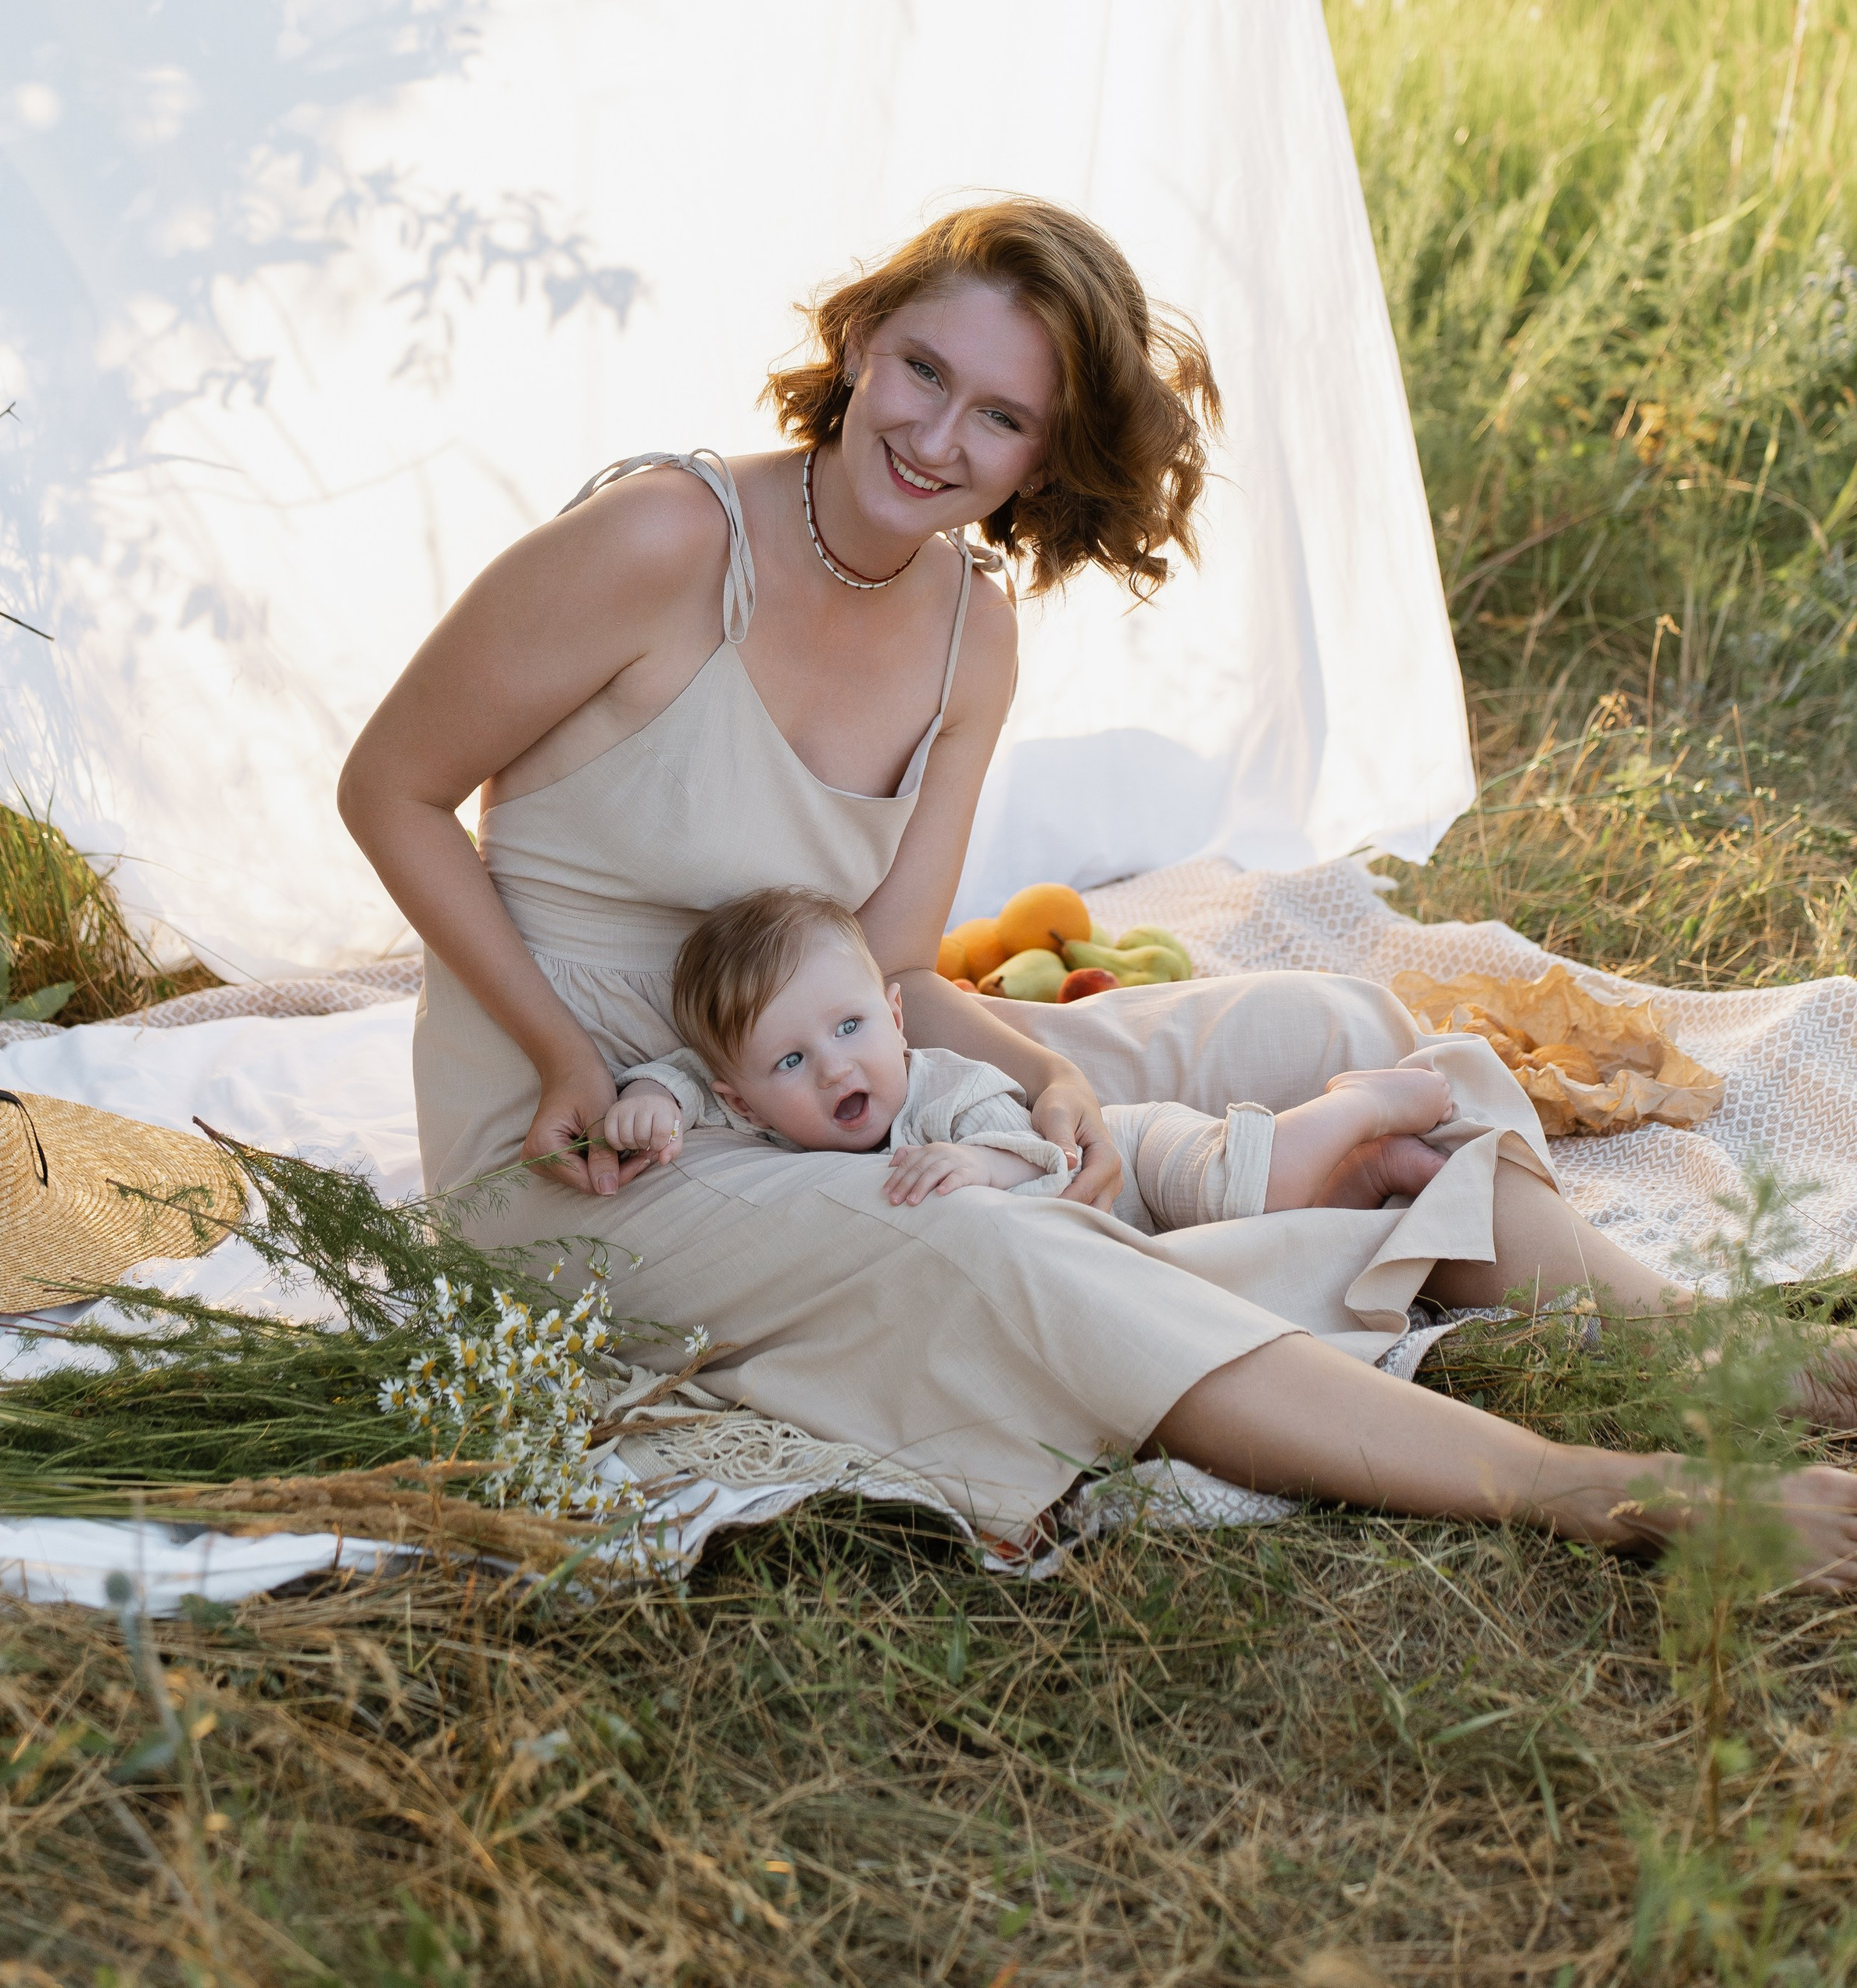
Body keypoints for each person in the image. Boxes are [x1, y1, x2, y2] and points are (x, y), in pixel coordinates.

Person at [339, 196, 1857, 1585]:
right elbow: (389, 788)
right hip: (601, 1132)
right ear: (857, 341)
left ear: (1040, 456)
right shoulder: (666, 539)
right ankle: (1585, 1489)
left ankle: (1721, 1355)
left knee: (1327, 1020)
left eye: (998, 417)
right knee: (993, 1242)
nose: (935, 437)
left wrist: (1047, 1082)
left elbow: (893, 968)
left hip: (829, 1057)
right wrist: (556, 1058)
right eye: (922, 370)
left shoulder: (964, 634)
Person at [603, 880, 1455, 1223]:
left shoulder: (941, 1089)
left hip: (1140, 1155)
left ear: (897, 1017)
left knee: (1243, 1187)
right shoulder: (758, 1118)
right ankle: (1373, 1171)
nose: (834, 1067)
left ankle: (1358, 1104)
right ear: (746, 1102)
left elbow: (1040, 1148)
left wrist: (979, 1168)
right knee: (1276, 1222)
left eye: (851, 1028)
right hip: (1133, 1226)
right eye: (792, 1062)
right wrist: (655, 1097)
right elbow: (701, 1079)